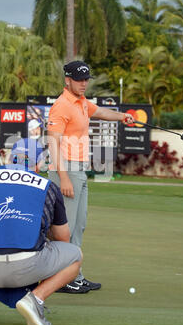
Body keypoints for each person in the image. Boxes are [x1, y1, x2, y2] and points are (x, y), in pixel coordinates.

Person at [0, 137, 83, 325]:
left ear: (11, 159)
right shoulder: (48, 187)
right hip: (26, 268)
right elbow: (63, 239)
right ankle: (35, 300)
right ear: (38, 164)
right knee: (75, 256)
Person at [47, 60, 134, 293]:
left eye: (86, 79)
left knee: (79, 226)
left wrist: (121, 116)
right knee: (64, 229)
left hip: (80, 171)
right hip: (65, 170)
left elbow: (102, 112)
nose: (83, 83)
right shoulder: (62, 105)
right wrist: (63, 177)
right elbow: (52, 143)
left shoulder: (82, 103)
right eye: (79, 79)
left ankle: (74, 274)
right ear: (68, 80)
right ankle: (60, 278)